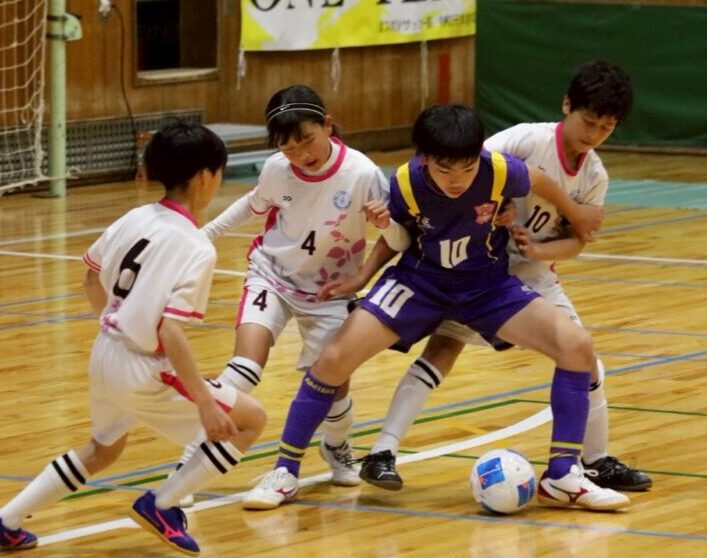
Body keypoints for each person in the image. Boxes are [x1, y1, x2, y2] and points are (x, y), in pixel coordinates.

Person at [242, 103, 630, 512]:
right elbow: (396, 236)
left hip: (486, 286)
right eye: (446, 170)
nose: (457, 180)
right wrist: (363, 276)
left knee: (577, 347)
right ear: (425, 158)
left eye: (467, 168)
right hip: (420, 283)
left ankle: (563, 475)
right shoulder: (406, 182)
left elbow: (538, 178)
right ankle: (285, 470)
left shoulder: (499, 169)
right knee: (333, 360)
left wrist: (574, 212)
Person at [357, 60, 653, 495]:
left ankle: (594, 461)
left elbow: (576, 242)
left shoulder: (594, 175)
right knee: (442, 348)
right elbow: (468, 167)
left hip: (533, 276)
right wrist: (500, 209)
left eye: (606, 128)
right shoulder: (526, 140)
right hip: (475, 265)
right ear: (566, 105)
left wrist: (539, 250)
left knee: (583, 356)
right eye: (588, 121)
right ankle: (383, 450)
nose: (594, 134)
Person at [0, 122, 268, 555]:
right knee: (250, 420)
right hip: (143, 367)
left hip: (105, 350)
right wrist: (204, 401)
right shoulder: (196, 246)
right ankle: (162, 505)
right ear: (205, 176)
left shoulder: (136, 216)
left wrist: (116, 321)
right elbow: (170, 330)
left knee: (102, 450)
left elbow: (91, 277)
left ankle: (7, 520)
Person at [173, 84, 390, 507]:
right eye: (288, 148)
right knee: (243, 368)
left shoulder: (362, 173)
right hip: (271, 275)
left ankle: (336, 445)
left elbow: (396, 234)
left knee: (333, 385)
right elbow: (251, 205)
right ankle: (187, 466)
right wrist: (202, 236)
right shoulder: (277, 170)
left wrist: (382, 229)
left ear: (327, 125)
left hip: (331, 291)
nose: (300, 154)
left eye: (306, 140)